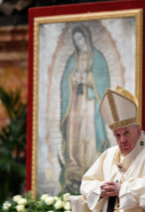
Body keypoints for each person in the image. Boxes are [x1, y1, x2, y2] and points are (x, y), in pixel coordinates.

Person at [70, 86, 145, 212]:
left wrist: (123, 189)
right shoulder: (109, 154)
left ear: (138, 131)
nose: (122, 140)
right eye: (117, 135)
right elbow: (87, 182)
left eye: (126, 133)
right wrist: (100, 189)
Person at [60, 25, 110, 193]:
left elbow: (103, 82)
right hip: (75, 102)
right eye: (76, 40)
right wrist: (73, 80)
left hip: (90, 102)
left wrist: (88, 78)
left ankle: (91, 169)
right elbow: (64, 83)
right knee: (73, 132)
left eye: (80, 39)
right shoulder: (71, 60)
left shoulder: (98, 58)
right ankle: (74, 171)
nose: (78, 43)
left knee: (88, 133)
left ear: (87, 38)